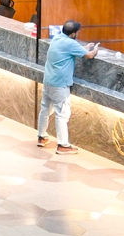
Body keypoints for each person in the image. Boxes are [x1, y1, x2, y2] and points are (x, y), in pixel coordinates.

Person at [38, 20, 99, 154]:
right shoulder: (70, 43)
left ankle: (41, 137)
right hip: (60, 85)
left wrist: (84, 47)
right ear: (73, 34)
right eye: (77, 33)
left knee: (45, 109)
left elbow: (71, 49)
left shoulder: (57, 38)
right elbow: (89, 55)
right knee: (62, 114)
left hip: (48, 81)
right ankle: (63, 145)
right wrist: (95, 49)